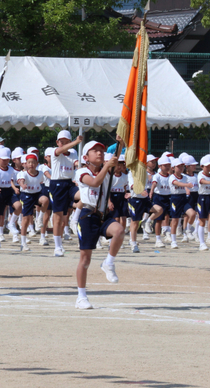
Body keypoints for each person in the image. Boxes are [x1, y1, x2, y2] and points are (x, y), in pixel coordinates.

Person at [75, 140, 125, 310]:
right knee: (85, 259)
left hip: (103, 214)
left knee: (119, 230)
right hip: (88, 216)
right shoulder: (81, 171)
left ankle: (108, 262)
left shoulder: (106, 169)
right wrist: (107, 167)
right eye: (95, 151)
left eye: (101, 151)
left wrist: (121, 142)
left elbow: (115, 163)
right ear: (86, 157)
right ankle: (81, 296)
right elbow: (95, 182)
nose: (99, 153)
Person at [50, 131, 82, 257]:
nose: (62, 143)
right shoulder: (54, 152)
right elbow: (61, 150)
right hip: (57, 185)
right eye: (60, 141)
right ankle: (58, 247)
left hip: (70, 183)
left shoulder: (73, 152)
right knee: (58, 218)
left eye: (66, 141)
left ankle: (74, 219)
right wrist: (76, 142)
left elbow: (75, 163)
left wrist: (80, 167)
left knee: (85, 195)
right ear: (57, 142)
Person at [0, 147, 22, 249]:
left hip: (9, 191)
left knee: (19, 206)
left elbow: (11, 180)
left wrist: (14, 188)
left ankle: (11, 223)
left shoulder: (11, 169)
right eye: (3, 160)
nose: (5, 162)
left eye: (7, 160)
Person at [17, 153, 48, 252]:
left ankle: (39, 219)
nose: (31, 164)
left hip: (37, 194)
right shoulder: (23, 173)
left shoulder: (40, 174)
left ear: (37, 163)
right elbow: (21, 181)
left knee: (45, 200)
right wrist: (22, 185)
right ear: (25, 164)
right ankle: (23, 242)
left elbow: (42, 182)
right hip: (26, 195)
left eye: (33, 162)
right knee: (25, 220)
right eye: (29, 162)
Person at [167, 158, 195, 249]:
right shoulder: (172, 177)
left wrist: (187, 189)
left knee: (193, 214)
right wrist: (187, 186)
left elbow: (187, 185)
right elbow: (177, 183)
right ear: (173, 168)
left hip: (183, 198)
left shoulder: (185, 177)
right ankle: (173, 241)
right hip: (175, 199)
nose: (181, 168)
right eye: (178, 166)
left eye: (182, 166)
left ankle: (187, 230)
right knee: (175, 220)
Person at [147, 155, 172, 248]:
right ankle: (158, 239)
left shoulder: (171, 176)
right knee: (159, 219)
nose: (167, 167)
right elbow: (154, 184)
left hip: (168, 197)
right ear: (160, 166)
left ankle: (167, 233)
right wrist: (151, 192)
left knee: (168, 216)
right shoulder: (157, 176)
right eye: (165, 165)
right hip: (159, 197)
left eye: (168, 165)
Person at [196, 155, 210, 251]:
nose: (209, 168)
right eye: (207, 166)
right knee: (202, 220)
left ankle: (209, 237)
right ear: (202, 166)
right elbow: (202, 181)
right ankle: (202, 243)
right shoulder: (200, 174)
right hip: (203, 198)